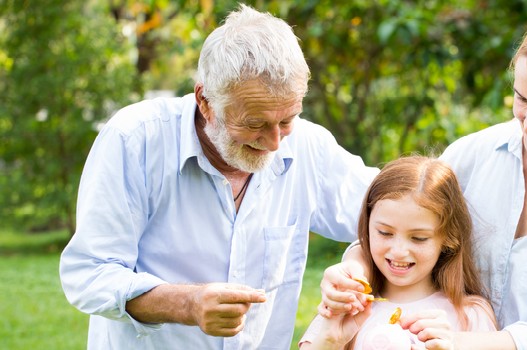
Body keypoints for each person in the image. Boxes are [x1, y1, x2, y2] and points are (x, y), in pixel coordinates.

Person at [320, 13, 527, 350]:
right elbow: (401, 230)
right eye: (522, 99)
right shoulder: (472, 155)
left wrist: (461, 341)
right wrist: (352, 272)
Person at [59, 4, 378, 349]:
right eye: (254, 124)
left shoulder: (309, 147)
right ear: (205, 102)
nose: (274, 142)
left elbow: (397, 216)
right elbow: (90, 273)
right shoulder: (135, 139)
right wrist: (187, 304)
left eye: (286, 120)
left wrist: (355, 266)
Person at [300, 156, 497, 350]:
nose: (399, 251)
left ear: (448, 238)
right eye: (385, 233)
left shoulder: (470, 316)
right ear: (367, 226)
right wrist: (330, 340)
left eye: (419, 238)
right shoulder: (344, 310)